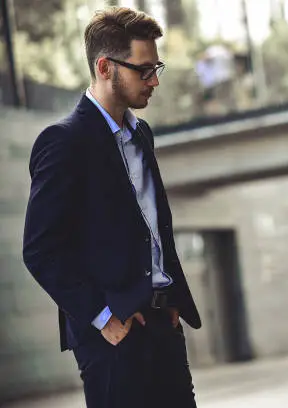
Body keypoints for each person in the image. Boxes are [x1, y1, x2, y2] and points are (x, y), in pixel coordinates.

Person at [22, 7, 201, 408]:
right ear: (105, 66)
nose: (154, 80)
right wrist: (103, 317)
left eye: (157, 68)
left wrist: (170, 303)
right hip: (115, 339)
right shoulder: (63, 142)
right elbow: (40, 249)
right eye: (144, 70)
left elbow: (151, 227)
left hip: (162, 328)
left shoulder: (142, 136)